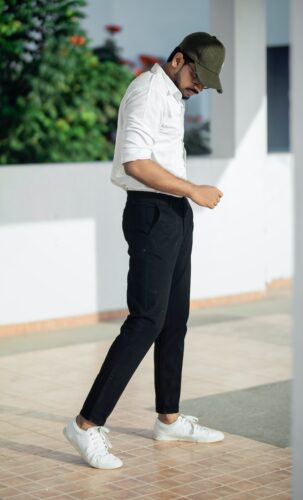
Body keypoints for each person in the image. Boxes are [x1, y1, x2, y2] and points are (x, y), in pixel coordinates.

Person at [63, 32, 226, 470]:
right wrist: (193, 190)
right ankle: (85, 425)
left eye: (206, 83)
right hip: (151, 212)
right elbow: (135, 163)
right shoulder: (148, 92)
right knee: (146, 321)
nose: (200, 88)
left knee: (174, 319)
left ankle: (169, 418)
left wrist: (185, 200)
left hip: (173, 213)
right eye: (198, 77)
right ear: (177, 60)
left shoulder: (172, 95)